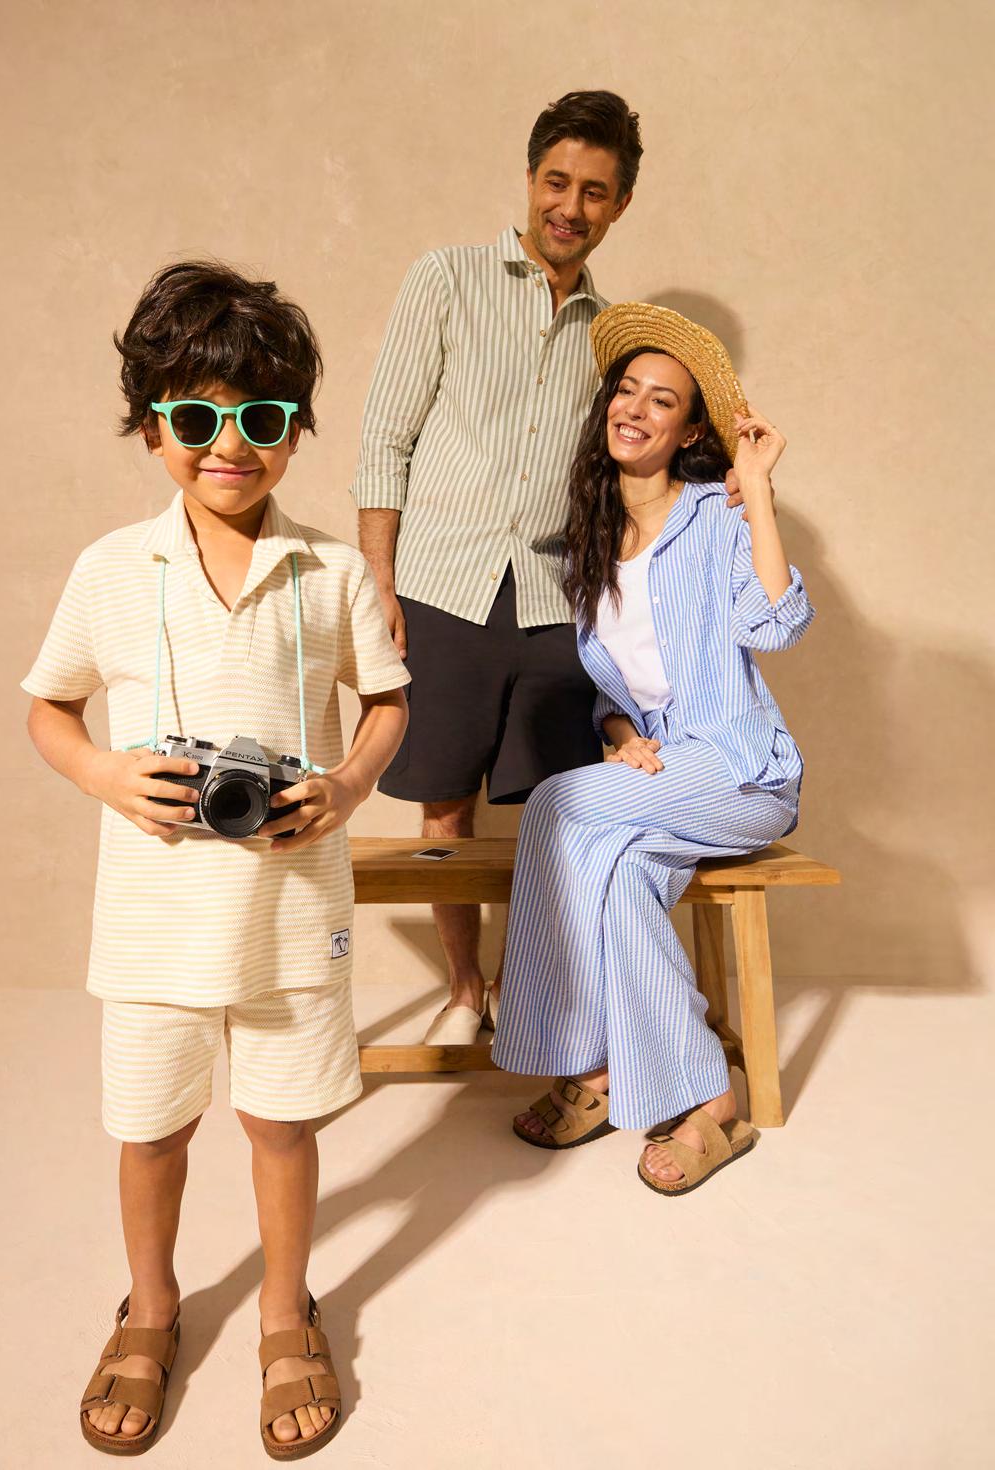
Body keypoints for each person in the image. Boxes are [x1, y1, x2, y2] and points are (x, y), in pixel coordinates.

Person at [23, 261, 409, 1456]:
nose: (228, 445)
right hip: (154, 917)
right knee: (150, 1130)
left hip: (290, 910)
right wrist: (101, 772)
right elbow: (47, 707)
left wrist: (347, 785)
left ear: (296, 428)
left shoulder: (331, 573)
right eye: (194, 418)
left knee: (283, 1126)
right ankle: (150, 1305)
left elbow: (387, 701)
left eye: (261, 417)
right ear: (152, 427)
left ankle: (286, 1312)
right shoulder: (110, 569)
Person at [491, 302, 814, 1196]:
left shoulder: (714, 514)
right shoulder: (591, 544)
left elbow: (775, 625)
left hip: (742, 771)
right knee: (623, 874)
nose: (634, 408)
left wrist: (757, 491)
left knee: (558, 803)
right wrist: (620, 735)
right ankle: (710, 1099)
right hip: (665, 772)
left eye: (661, 400)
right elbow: (615, 687)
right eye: (626, 390)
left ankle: (589, 1065)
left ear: (690, 431)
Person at [350, 91, 642, 1045]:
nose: (570, 206)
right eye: (557, 182)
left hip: (553, 596)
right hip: (441, 584)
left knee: (559, 808)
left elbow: (609, 477)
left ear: (619, 204)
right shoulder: (445, 278)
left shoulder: (613, 334)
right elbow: (385, 439)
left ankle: (538, 993)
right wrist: (379, 583)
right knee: (445, 805)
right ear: (528, 179)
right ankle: (465, 991)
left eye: (593, 191)